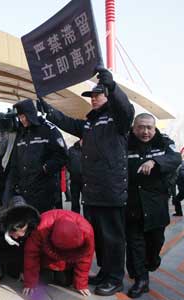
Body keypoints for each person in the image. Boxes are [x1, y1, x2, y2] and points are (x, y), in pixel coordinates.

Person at [39, 67, 135, 295]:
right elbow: (67, 122)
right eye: (91, 96)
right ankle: (104, 271)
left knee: (113, 238)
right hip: (92, 192)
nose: (93, 99)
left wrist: (112, 85)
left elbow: (126, 109)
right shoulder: (89, 124)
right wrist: (47, 110)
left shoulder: (117, 120)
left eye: (97, 95)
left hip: (111, 191)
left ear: (107, 96)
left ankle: (114, 277)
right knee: (98, 236)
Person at [125, 113, 181, 298]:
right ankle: (142, 280)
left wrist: (155, 161)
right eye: (141, 127)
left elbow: (176, 158)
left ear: (155, 128)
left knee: (155, 241)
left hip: (156, 202)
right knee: (136, 243)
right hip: (132, 203)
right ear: (134, 127)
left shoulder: (163, 142)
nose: (145, 131)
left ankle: (152, 261)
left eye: (149, 127)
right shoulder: (124, 141)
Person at [8, 99, 67, 213]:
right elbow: (15, 161)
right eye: (20, 117)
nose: (22, 120)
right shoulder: (21, 134)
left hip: (45, 190)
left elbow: (62, 155)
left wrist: (45, 169)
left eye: (24, 116)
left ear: (31, 114)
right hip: (25, 190)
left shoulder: (48, 130)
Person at [22, 209, 94, 297]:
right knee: (42, 281)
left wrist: (81, 284)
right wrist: (30, 282)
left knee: (65, 282)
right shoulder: (40, 228)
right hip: (47, 259)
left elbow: (85, 259)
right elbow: (31, 254)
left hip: (69, 260)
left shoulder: (87, 232)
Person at [0, 196, 40, 278]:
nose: (21, 235)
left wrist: (23, 270)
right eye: (17, 233)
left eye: (24, 231)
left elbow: (27, 251)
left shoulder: (29, 226)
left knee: (15, 272)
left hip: (11, 250)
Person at [67, 140, 83, 213]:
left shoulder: (89, 148)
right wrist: (71, 170)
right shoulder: (71, 150)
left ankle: (88, 220)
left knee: (87, 202)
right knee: (74, 201)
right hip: (74, 179)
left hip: (86, 180)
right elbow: (67, 161)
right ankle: (75, 218)